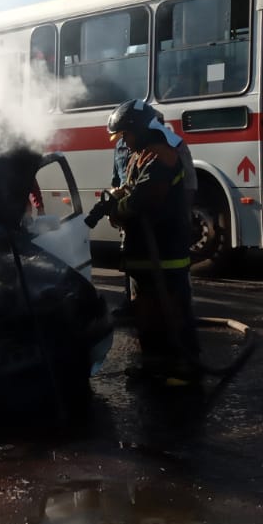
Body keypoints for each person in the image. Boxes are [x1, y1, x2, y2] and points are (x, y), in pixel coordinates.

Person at [103, 99, 199, 387]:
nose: (123, 141)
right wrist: (118, 195)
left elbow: (145, 199)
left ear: (138, 129)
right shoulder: (141, 153)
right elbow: (133, 188)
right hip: (144, 252)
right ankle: (155, 366)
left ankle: (184, 369)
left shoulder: (162, 154)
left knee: (171, 311)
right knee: (147, 314)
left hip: (164, 251)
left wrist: (118, 209)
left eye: (125, 135)